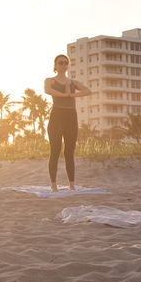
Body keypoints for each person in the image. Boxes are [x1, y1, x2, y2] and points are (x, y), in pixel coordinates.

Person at [44, 54, 92, 192]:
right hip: (57, 115)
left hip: (71, 116)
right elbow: (48, 90)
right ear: (55, 65)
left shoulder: (73, 82)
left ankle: (72, 185)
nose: (63, 65)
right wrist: (65, 95)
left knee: (69, 151)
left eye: (65, 63)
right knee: (55, 150)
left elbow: (87, 91)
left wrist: (72, 95)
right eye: (60, 63)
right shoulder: (50, 80)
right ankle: (54, 185)